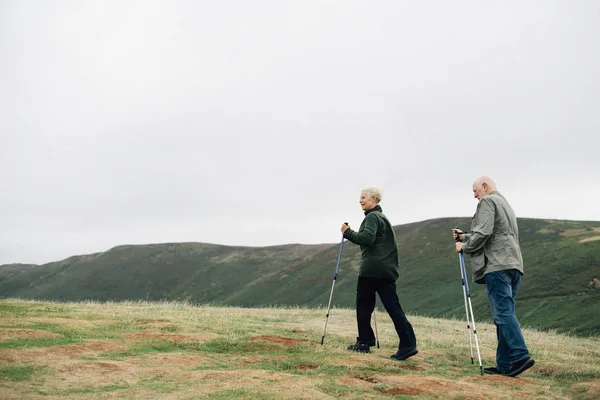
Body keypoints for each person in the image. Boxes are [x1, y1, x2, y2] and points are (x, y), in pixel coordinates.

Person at [453, 176, 534, 377]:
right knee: (505, 313)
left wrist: (465, 246)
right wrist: (465, 236)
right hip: (514, 264)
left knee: (502, 314)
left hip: (497, 265)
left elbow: (484, 232)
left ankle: (520, 355)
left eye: (475, 191)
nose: (474, 196)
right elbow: (496, 233)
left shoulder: (487, 201)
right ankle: (505, 364)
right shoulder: (504, 203)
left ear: (485, 187)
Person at [341, 186, 418, 360]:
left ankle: (364, 342)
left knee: (364, 304)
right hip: (386, 270)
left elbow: (367, 239)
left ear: (374, 199)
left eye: (363, 197)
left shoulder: (373, 217)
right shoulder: (382, 217)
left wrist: (348, 233)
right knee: (393, 307)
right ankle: (408, 344)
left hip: (372, 270)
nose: (360, 200)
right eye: (360, 197)